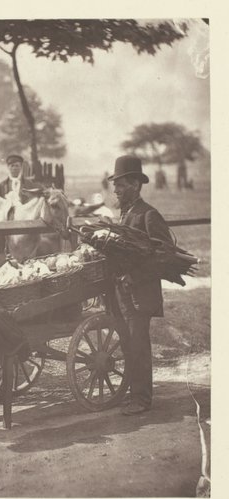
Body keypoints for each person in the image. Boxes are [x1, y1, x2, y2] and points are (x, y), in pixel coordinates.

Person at [108, 155, 173, 416]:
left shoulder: (149, 215)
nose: (115, 189)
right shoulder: (126, 214)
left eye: (121, 184)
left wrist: (134, 277)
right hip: (122, 294)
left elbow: (164, 255)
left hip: (139, 293)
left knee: (138, 345)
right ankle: (135, 394)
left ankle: (142, 399)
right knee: (127, 345)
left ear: (135, 184)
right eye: (115, 184)